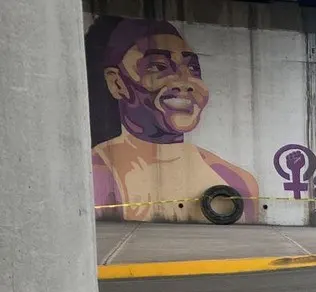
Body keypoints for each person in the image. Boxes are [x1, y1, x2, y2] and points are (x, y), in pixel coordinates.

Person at [87, 17, 258, 223]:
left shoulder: (237, 180)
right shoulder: (94, 174)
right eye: (158, 67)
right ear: (116, 83)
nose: (185, 82)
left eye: (193, 68)